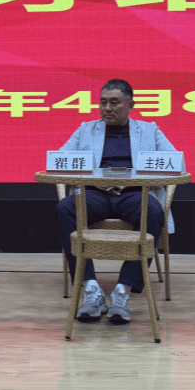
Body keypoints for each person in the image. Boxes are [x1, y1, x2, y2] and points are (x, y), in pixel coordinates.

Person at [56, 79, 182, 325]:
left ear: (130, 105)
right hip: (95, 194)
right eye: (103, 102)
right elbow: (61, 159)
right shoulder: (85, 129)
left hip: (134, 194)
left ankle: (123, 289)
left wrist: (134, 179)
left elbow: (176, 162)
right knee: (66, 208)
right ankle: (90, 288)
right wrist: (95, 179)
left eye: (114, 103)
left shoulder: (150, 130)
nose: (107, 108)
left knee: (154, 211)